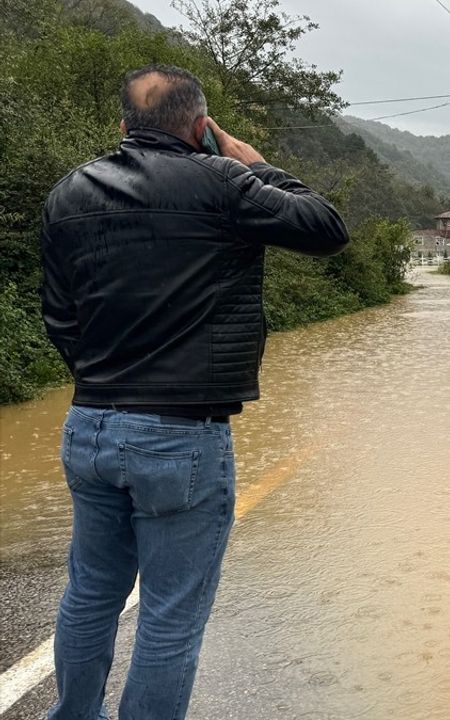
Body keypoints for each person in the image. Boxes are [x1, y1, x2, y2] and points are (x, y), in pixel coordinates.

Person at [41, 64, 349, 719]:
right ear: (202, 128)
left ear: (123, 127)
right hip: (181, 434)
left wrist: (98, 377)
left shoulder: (69, 192)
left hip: (89, 423)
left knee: (91, 592)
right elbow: (325, 228)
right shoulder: (226, 183)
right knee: (169, 616)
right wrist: (259, 165)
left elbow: (59, 315)